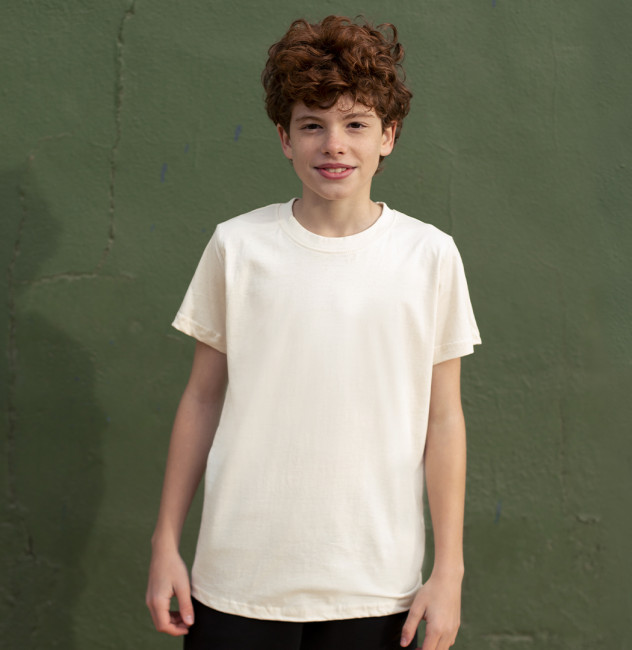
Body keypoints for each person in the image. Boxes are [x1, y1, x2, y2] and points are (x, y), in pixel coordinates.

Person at [146, 15, 480, 650]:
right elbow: (202, 398)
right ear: (284, 138)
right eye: (312, 125)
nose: (334, 145)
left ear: (388, 135)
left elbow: (443, 419)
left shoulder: (429, 256)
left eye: (355, 124)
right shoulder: (238, 246)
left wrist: (450, 572)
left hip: (377, 585)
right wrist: (165, 541)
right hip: (237, 579)